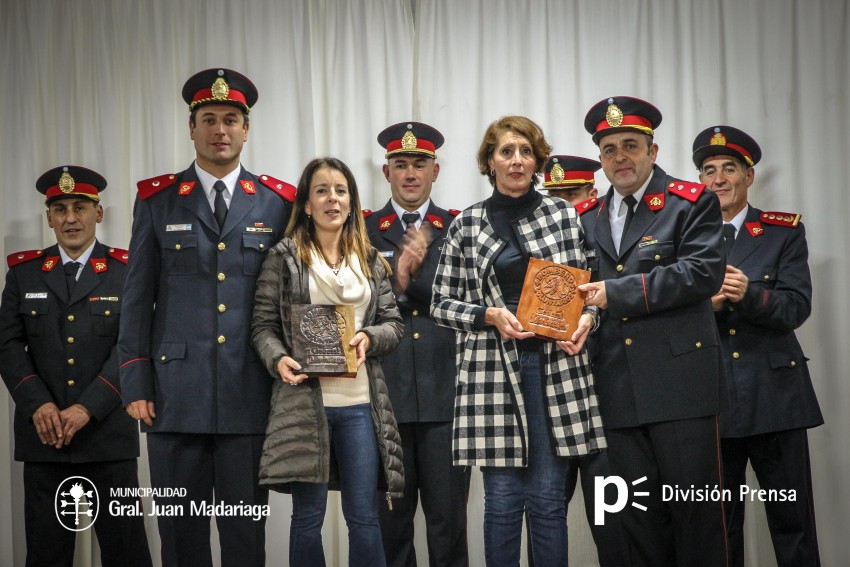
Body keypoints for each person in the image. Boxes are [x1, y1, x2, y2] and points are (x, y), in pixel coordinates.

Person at [118, 68, 294, 566]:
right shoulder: (157, 200)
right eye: (210, 119)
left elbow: (291, 296)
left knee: (244, 540)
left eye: (231, 120)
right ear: (191, 127)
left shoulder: (278, 203)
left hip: (249, 392)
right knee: (180, 541)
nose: (221, 129)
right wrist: (136, 383)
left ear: (246, 129)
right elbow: (137, 297)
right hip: (175, 398)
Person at [431, 115, 606, 566]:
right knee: (503, 501)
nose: (516, 160)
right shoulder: (466, 224)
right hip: (491, 373)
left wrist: (587, 319)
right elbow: (440, 304)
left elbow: (592, 289)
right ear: (489, 161)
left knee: (548, 500)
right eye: (506, 151)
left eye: (526, 152)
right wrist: (487, 315)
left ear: (538, 161)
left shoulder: (563, 214)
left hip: (554, 370)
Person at [577, 96, 727, 567]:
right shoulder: (586, 216)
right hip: (614, 389)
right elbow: (582, 290)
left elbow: (701, 273)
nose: (620, 157)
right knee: (631, 523)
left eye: (630, 145)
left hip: (680, 388)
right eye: (609, 149)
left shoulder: (691, 200)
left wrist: (613, 294)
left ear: (653, 151)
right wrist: (580, 316)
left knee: (696, 521)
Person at [251, 157, 404, 566]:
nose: (331, 199)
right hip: (304, 405)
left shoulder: (369, 259)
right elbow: (262, 327)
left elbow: (393, 324)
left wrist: (369, 337)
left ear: (352, 202)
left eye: (340, 191)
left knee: (364, 519)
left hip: (360, 406)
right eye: (321, 191)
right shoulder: (283, 258)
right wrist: (278, 358)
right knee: (307, 518)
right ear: (306, 203)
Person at [0, 166, 151, 566]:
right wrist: (39, 405)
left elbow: (132, 345)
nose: (70, 218)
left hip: (107, 433)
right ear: (48, 217)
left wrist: (89, 406)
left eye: (80, 207)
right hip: (45, 436)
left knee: (126, 551)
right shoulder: (23, 273)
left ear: (98, 214)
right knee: (47, 553)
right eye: (60, 209)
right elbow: (8, 345)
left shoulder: (126, 271)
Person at [693, 125, 823, 567]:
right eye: (709, 171)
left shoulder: (782, 232)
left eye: (729, 168)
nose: (718, 179)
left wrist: (749, 294)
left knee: (793, 522)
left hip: (776, 400)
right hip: (710, 402)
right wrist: (703, 306)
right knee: (720, 527)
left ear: (749, 176)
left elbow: (795, 308)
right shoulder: (685, 239)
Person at [365, 121, 470, 567]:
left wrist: (414, 277)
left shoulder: (461, 227)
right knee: (391, 525)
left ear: (436, 171)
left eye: (420, 164)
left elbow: (472, 299)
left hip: (447, 391)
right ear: (387, 172)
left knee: (448, 523)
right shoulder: (362, 228)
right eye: (401, 164)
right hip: (383, 395)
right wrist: (398, 276)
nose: (410, 173)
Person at [524, 154, 628, 567]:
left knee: (611, 518)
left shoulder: (611, 236)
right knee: (545, 514)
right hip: (553, 399)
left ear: (593, 193)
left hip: (608, 399)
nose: (566, 205)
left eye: (573, 195)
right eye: (555, 196)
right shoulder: (535, 241)